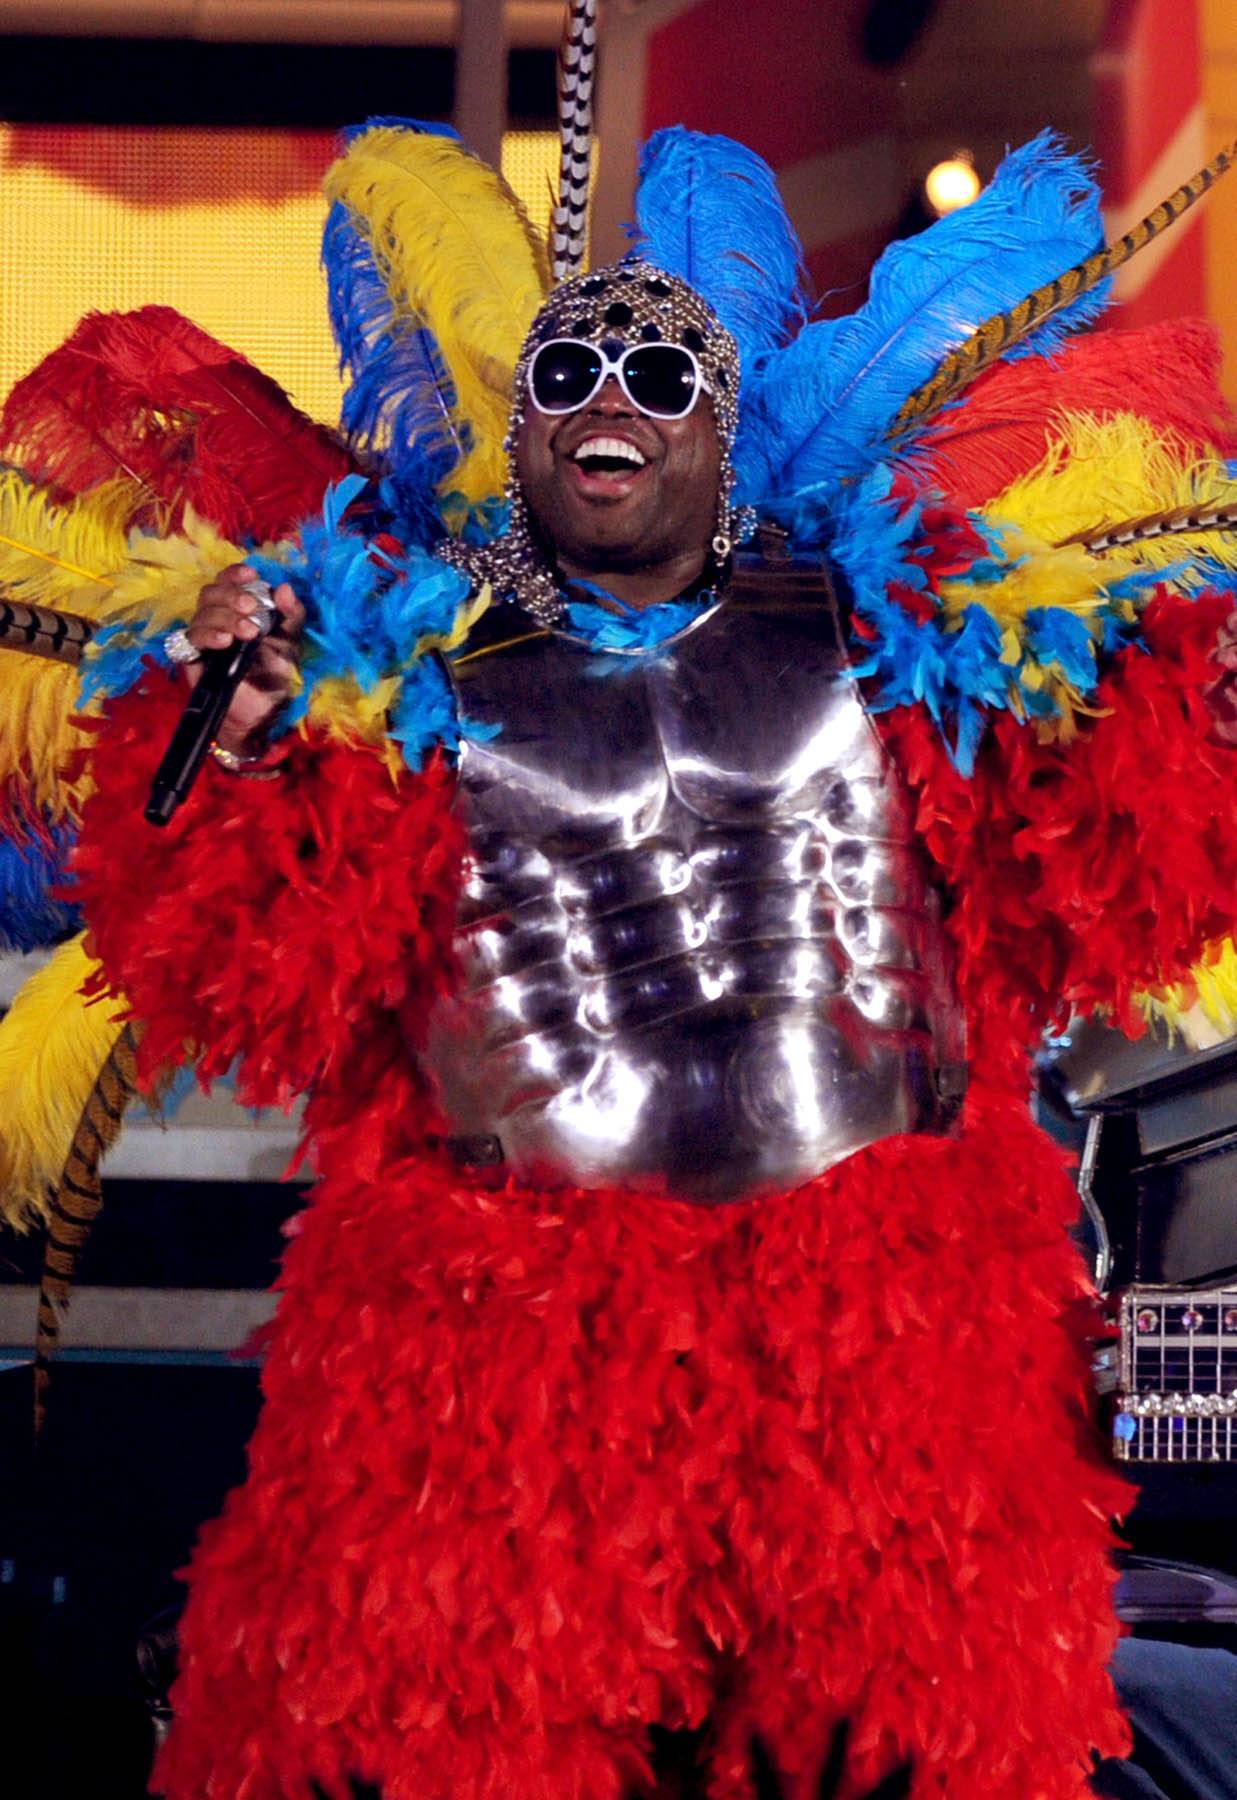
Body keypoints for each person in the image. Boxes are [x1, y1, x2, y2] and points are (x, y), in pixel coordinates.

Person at [9, 123, 1237, 1798]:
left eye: (660, 375)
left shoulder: (899, 625)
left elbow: (1094, 880)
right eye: (570, 372)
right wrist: (229, 741)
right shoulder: (392, 652)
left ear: (721, 432)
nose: (613, 399)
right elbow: (247, 970)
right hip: (499, 1338)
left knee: (897, 1753)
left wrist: (1196, 710)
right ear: (520, 427)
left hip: (874, 1324)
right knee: (448, 1747)